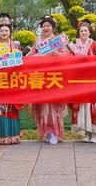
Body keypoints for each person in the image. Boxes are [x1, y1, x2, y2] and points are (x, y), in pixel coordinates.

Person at [27, 15, 69, 144]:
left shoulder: (57, 41)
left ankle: (54, 132)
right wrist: (38, 56)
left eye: (48, 26)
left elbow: (66, 55)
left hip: (53, 76)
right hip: (40, 75)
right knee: (42, 105)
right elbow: (31, 56)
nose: (46, 28)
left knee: (53, 105)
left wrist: (58, 54)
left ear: (52, 28)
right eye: (44, 26)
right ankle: (45, 132)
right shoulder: (37, 41)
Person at [0, 19, 23, 145]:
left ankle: (12, 136)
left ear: (10, 32)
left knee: (11, 107)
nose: (4, 32)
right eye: (1, 30)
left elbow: (21, 61)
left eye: (6, 30)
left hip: (12, 80)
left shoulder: (15, 46)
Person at [68, 21, 96, 143]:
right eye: (81, 31)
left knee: (93, 106)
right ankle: (86, 132)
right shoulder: (74, 46)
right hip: (79, 80)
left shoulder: (94, 45)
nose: (83, 32)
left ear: (89, 32)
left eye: (86, 30)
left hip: (92, 79)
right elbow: (69, 62)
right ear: (79, 33)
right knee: (82, 106)